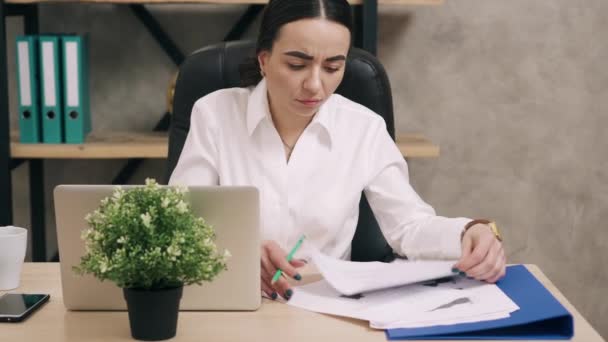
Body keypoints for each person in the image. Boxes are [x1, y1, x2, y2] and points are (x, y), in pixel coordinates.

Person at [169, 0, 506, 301]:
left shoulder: (363, 128)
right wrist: (236, 250)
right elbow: (180, 218)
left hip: (325, 307)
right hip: (232, 301)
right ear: (264, 60)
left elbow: (409, 226)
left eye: (332, 67)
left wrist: (468, 233)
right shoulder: (214, 114)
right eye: (297, 65)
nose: (315, 85)